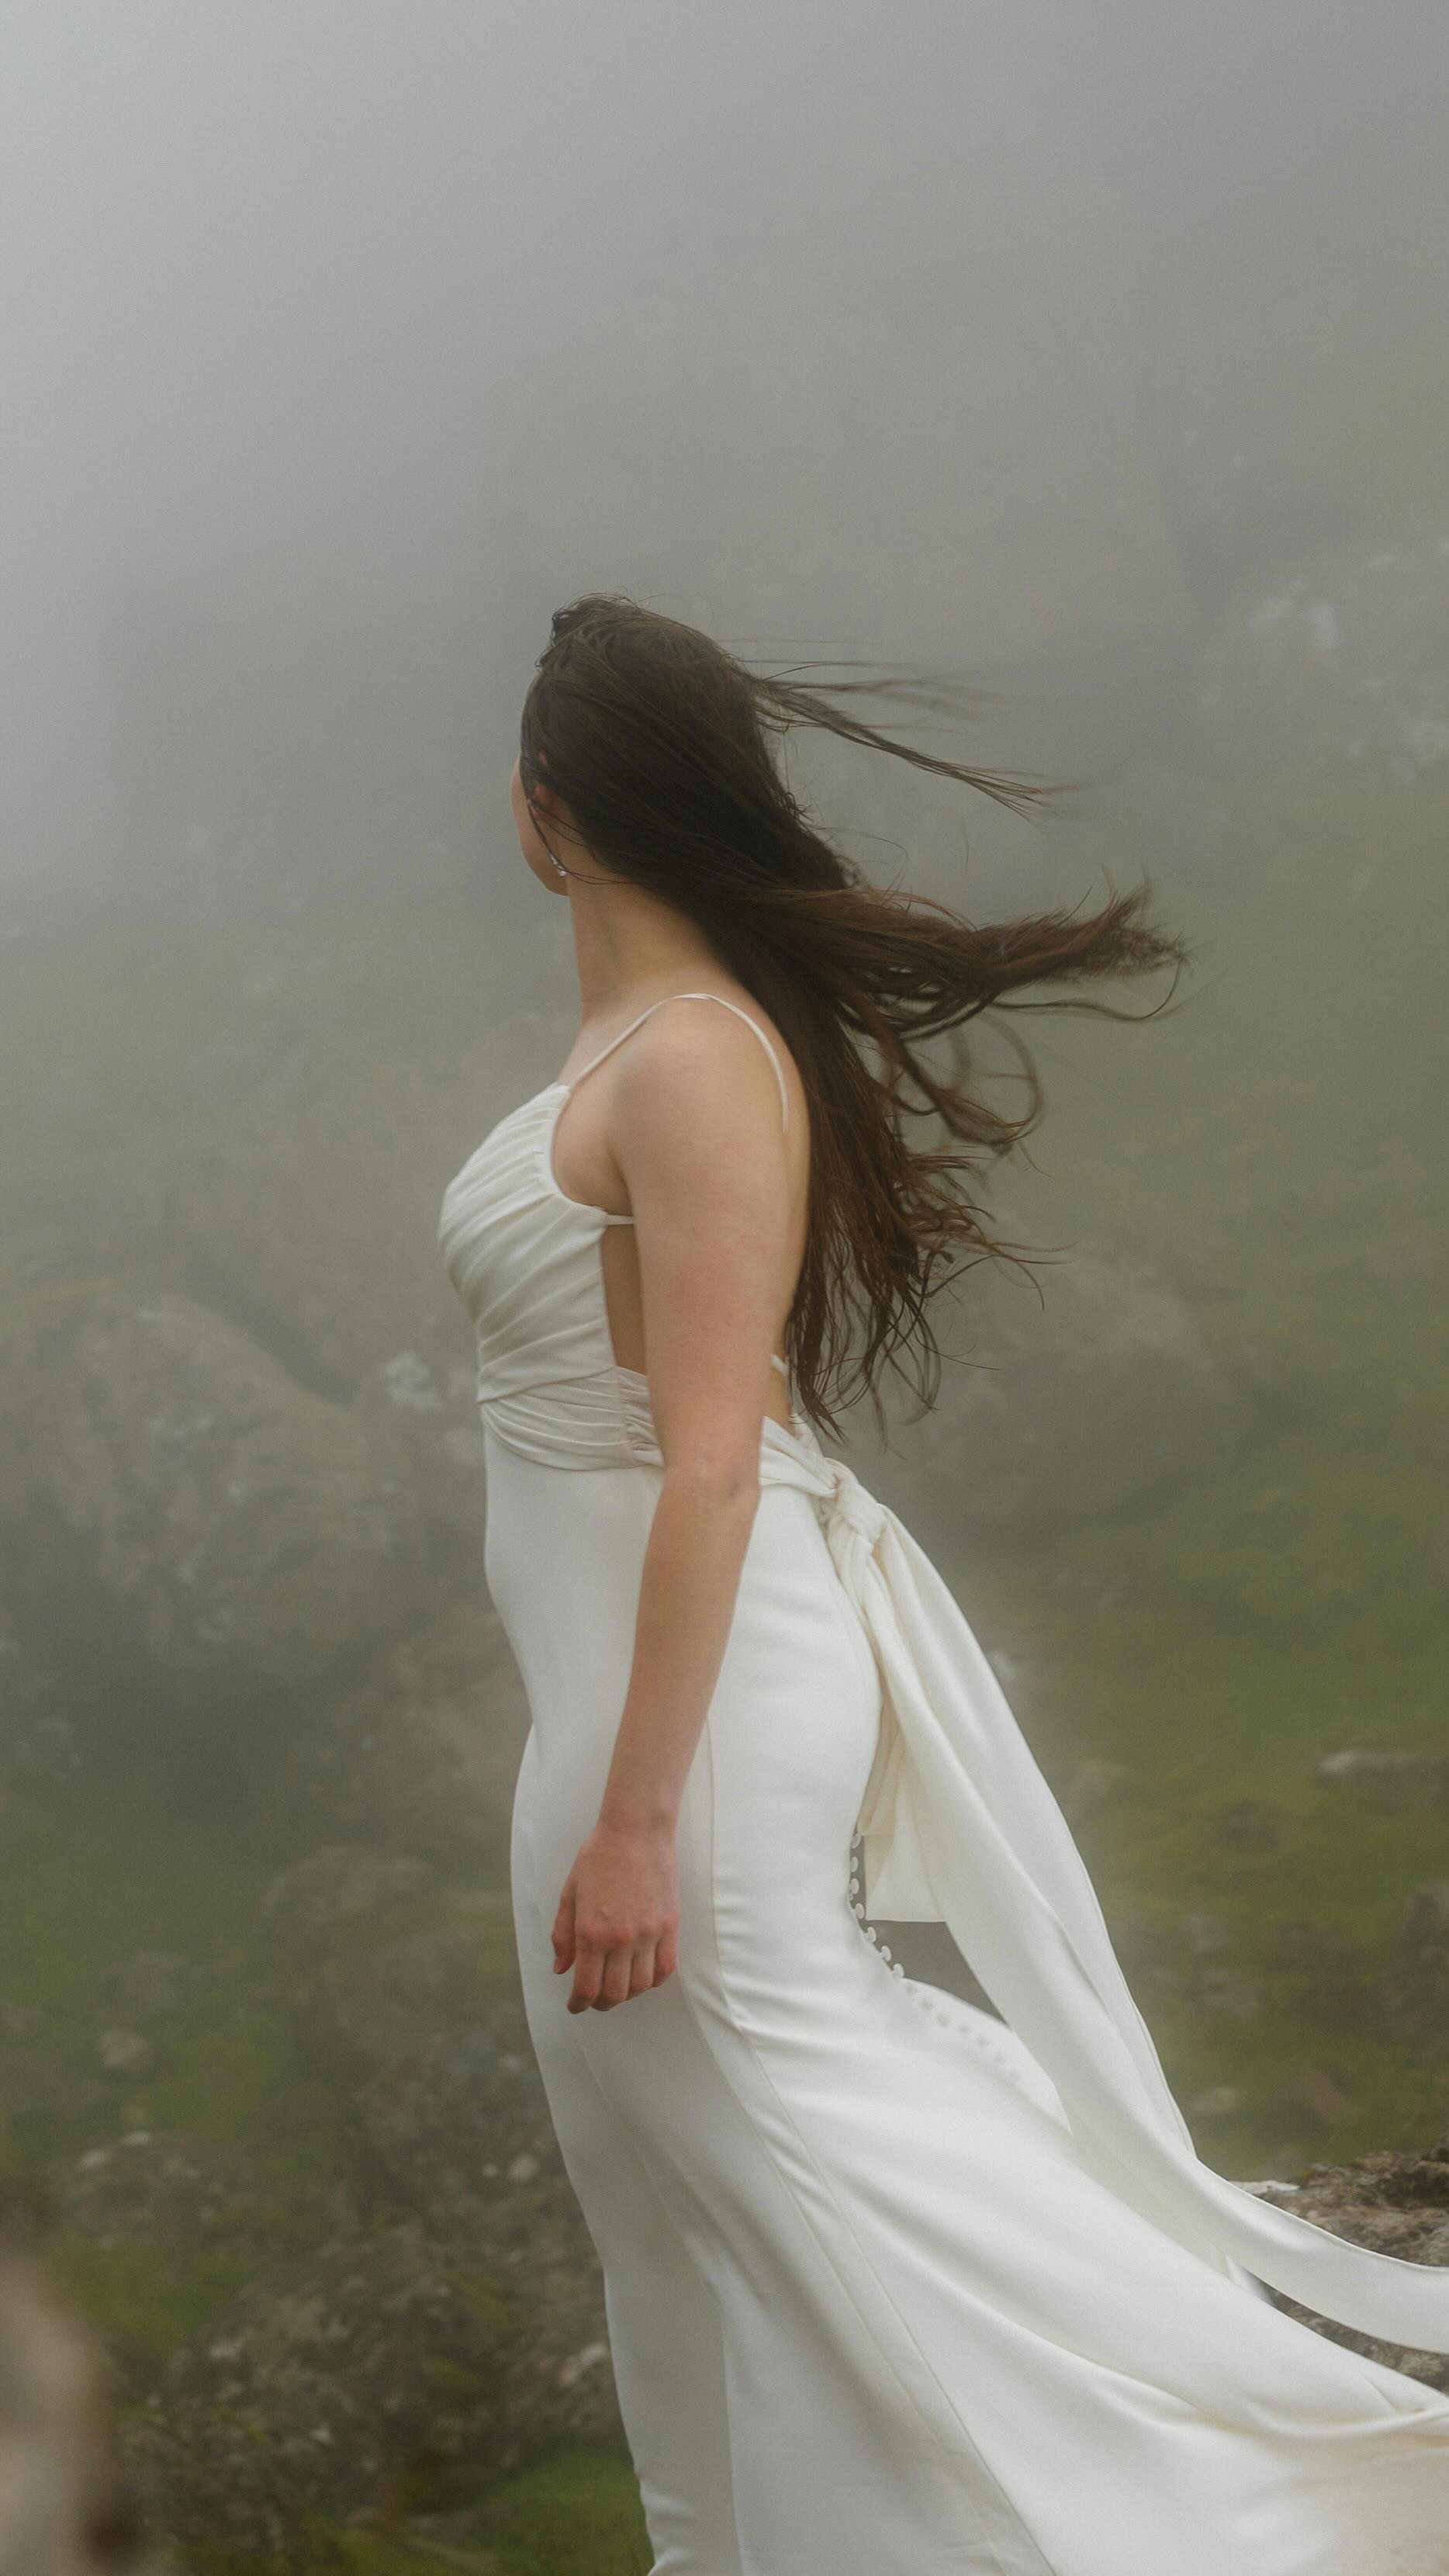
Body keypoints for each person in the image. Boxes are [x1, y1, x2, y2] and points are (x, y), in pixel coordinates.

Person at [439, 593, 1449, 2575]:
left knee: (780, 2111)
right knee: (656, 2164)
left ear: (539, 810)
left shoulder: (698, 1060)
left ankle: (1193, 2512)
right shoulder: (638, 1046)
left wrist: (641, 1810)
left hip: (697, 1709)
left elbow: (712, 1457)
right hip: (619, 1702)